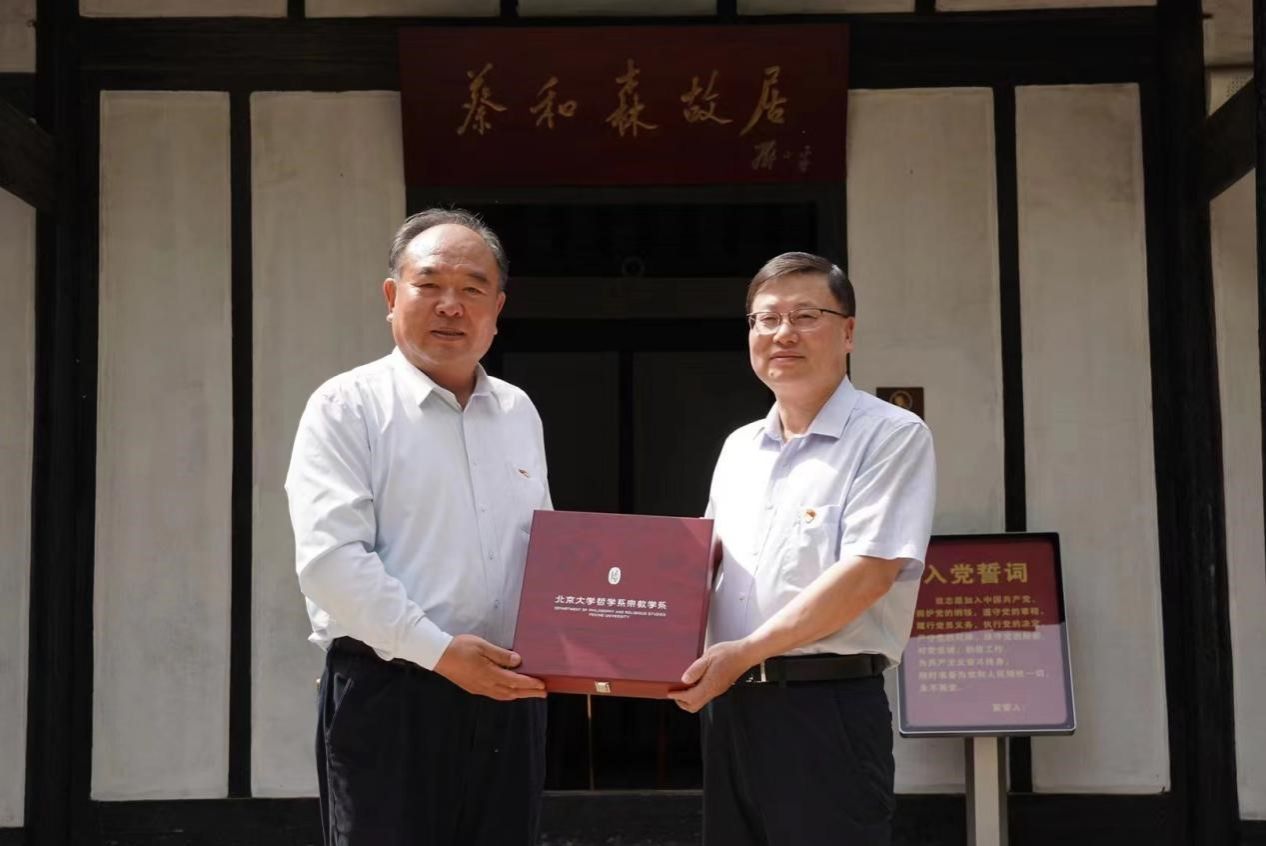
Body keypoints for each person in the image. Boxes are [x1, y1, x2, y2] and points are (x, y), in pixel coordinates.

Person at [286, 209, 551, 846]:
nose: (450, 305)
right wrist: (439, 652)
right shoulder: (345, 406)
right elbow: (331, 563)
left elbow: (545, 551)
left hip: (507, 695)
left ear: (497, 308)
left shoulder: (518, 411)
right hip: (391, 691)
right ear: (391, 296)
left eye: (472, 288)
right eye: (429, 284)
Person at [668, 251, 936, 845]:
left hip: (826, 709)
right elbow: (700, 567)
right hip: (730, 707)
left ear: (848, 332)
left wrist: (745, 652)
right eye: (766, 319)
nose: (782, 333)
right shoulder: (739, 448)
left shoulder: (890, 435)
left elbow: (868, 573)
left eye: (806, 315)